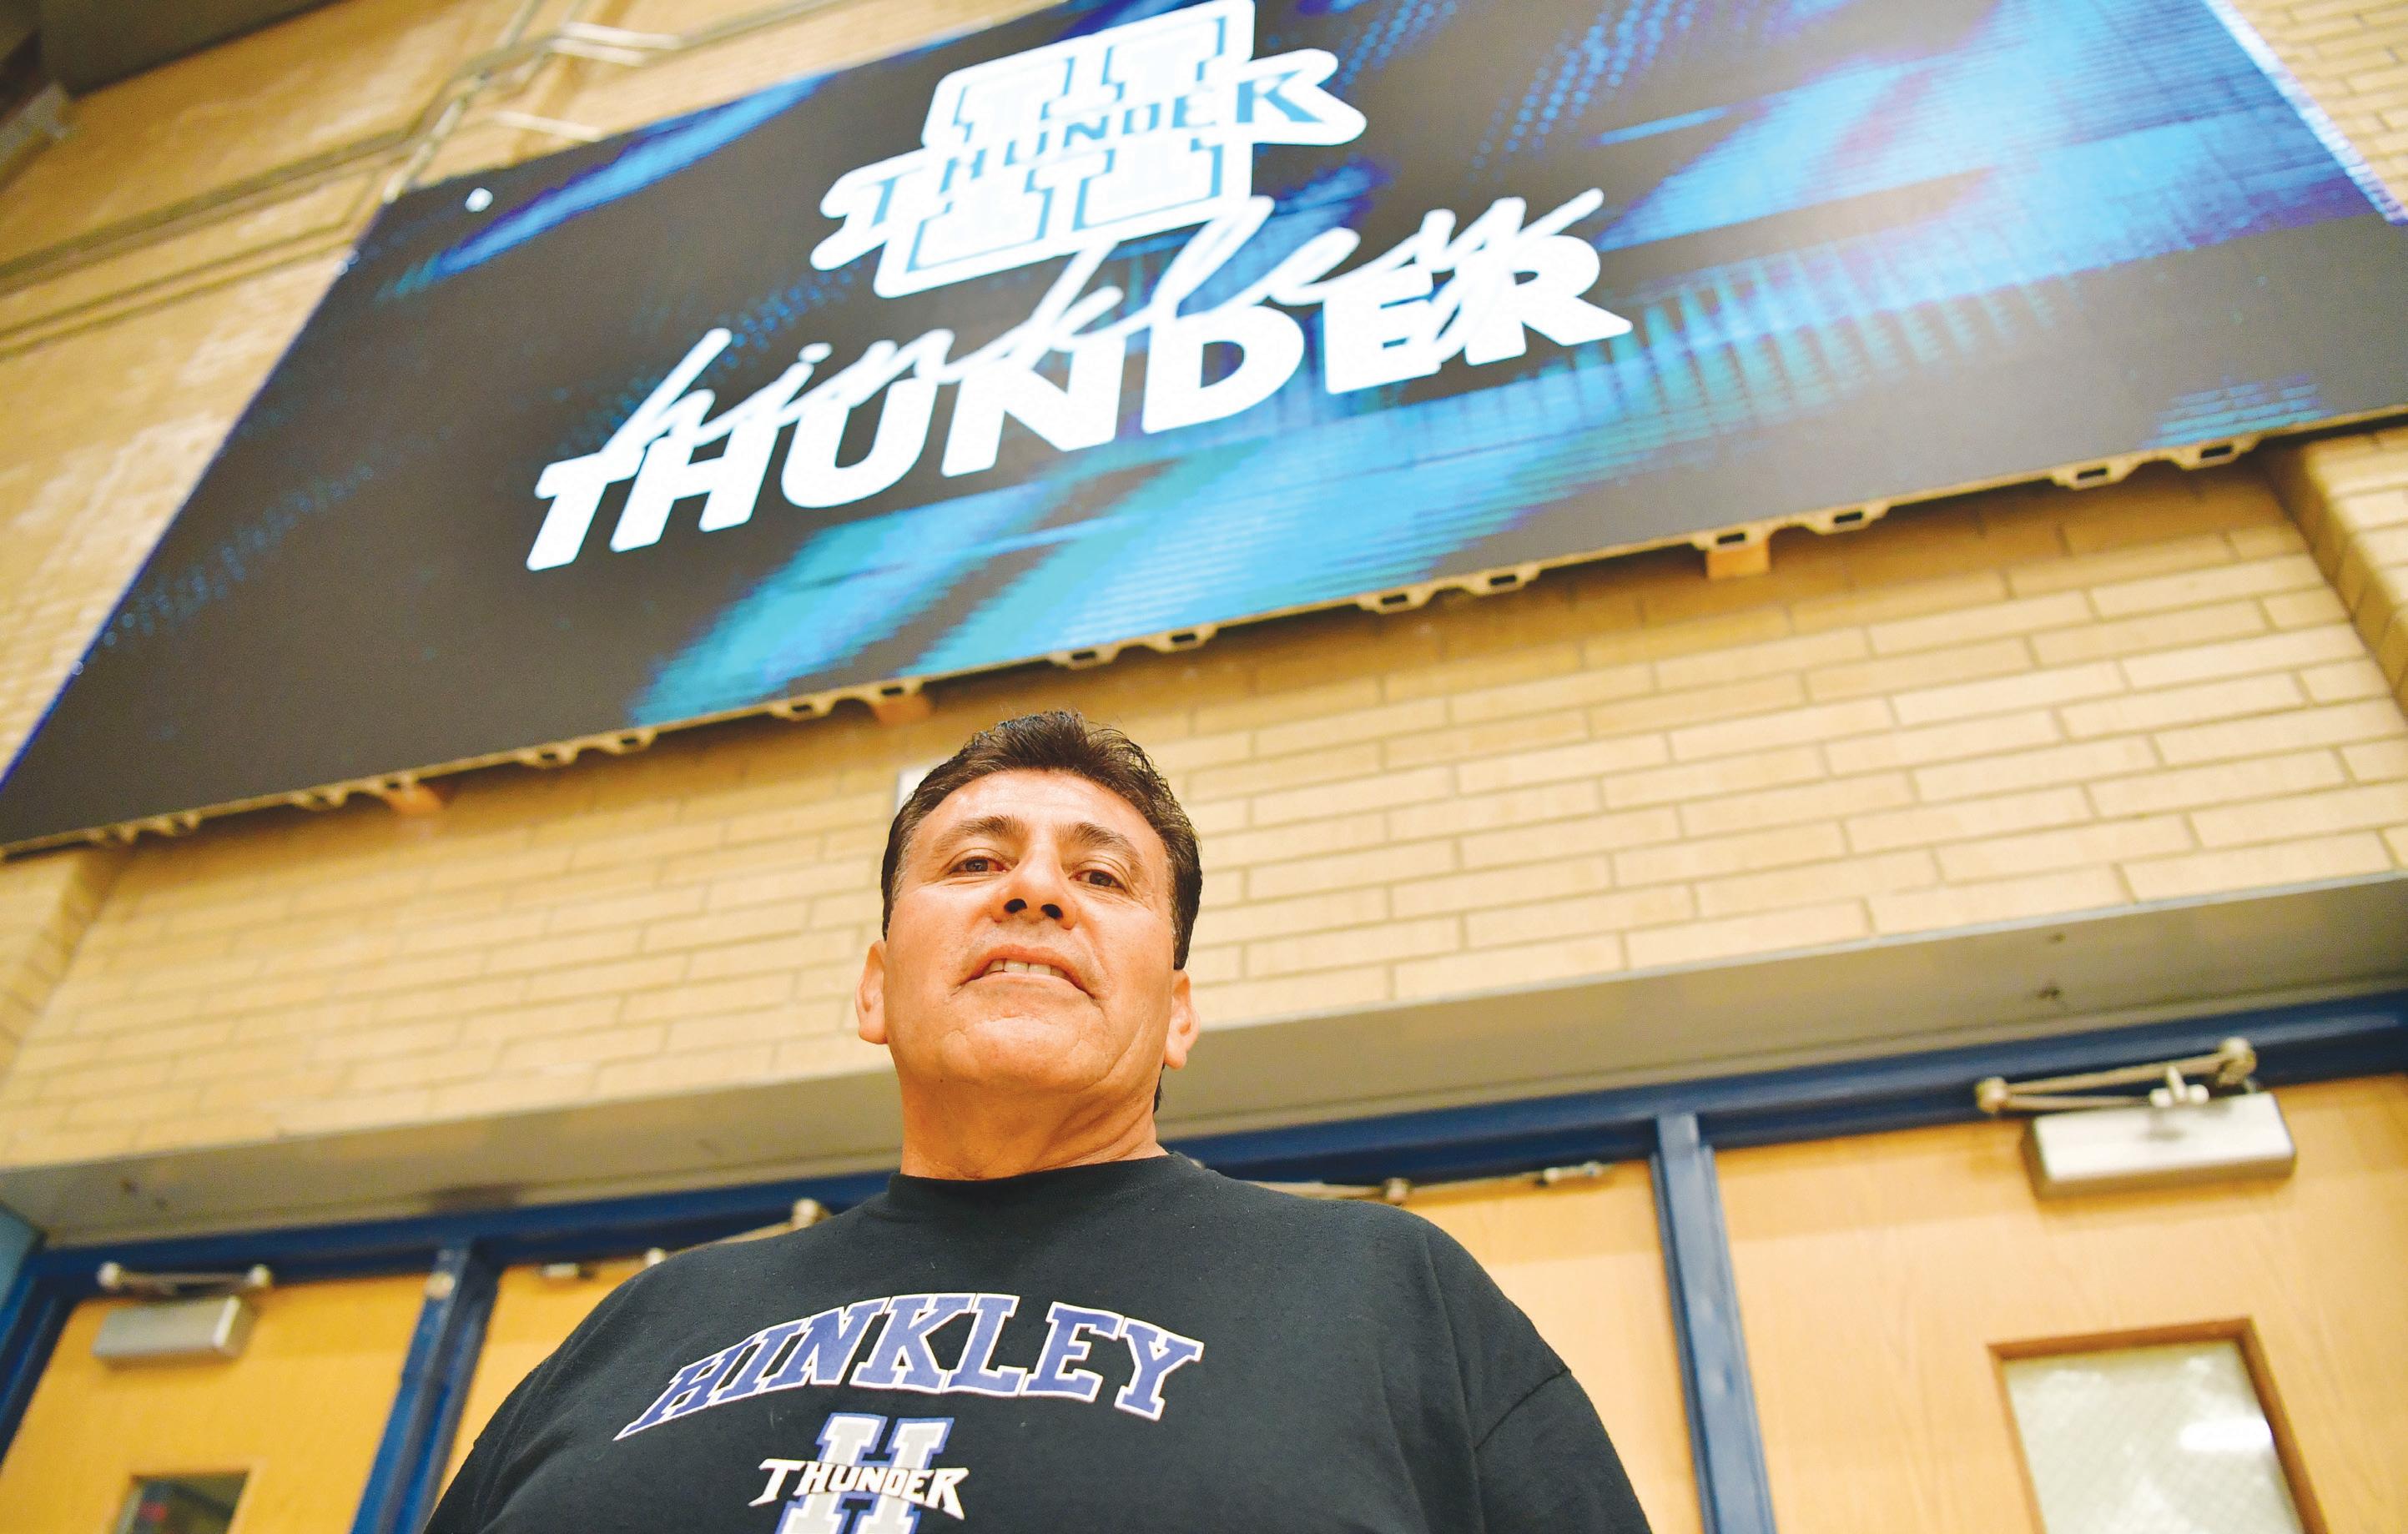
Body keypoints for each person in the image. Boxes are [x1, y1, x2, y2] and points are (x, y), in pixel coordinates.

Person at [428, 710, 1653, 1532]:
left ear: (1177, 1016)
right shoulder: (643, 1323)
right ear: (874, 989)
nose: (1032, 890)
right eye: (973, 864)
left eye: (1101, 875)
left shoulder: (1389, 1294)